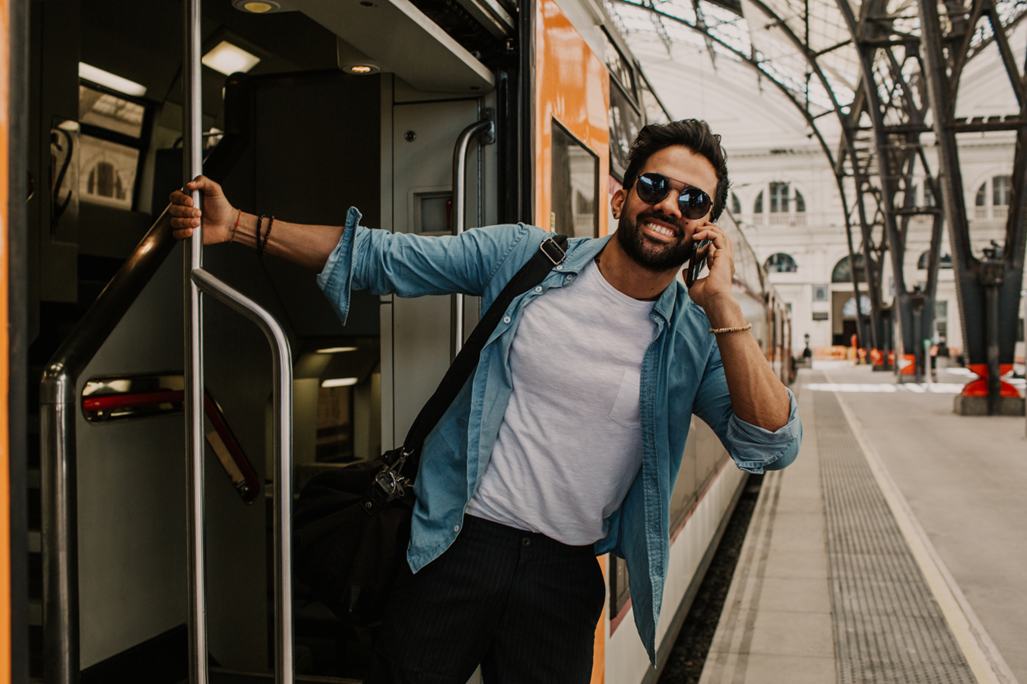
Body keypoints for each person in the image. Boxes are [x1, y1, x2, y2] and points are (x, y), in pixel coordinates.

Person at [170, 119, 802, 684]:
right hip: (457, 544)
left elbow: (770, 443)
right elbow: (384, 257)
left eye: (692, 200)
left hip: (564, 575)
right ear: (621, 194)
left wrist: (721, 303)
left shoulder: (695, 337)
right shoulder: (528, 256)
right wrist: (241, 227)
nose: (668, 205)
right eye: (654, 186)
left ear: (705, 226)